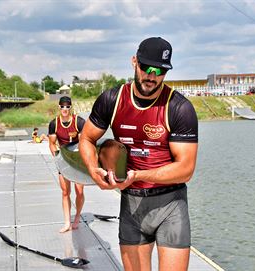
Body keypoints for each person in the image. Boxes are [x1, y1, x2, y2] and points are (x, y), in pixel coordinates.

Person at [79, 37, 198, 271]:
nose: (152, 76)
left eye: (160, 71)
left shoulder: (179, 108)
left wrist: (139, 174)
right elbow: (86, 138)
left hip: (171, 205)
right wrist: (94, 171)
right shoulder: (111, 100)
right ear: (134, 61)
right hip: (132, 205)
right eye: (146, 68)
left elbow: (186, 170)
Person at [48, 96, 86, 233]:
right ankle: (66, 223)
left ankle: (77, 217)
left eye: (67, 107)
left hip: (77, 159)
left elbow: (85, 142)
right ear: (59, 107)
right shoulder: (54, 124)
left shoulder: (79, 122)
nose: (65, 109)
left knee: (79, 191)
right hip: (63, 159)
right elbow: (52, 144)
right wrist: (57, 158)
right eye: (62, 107)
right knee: (65, 192)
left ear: (71, 107)